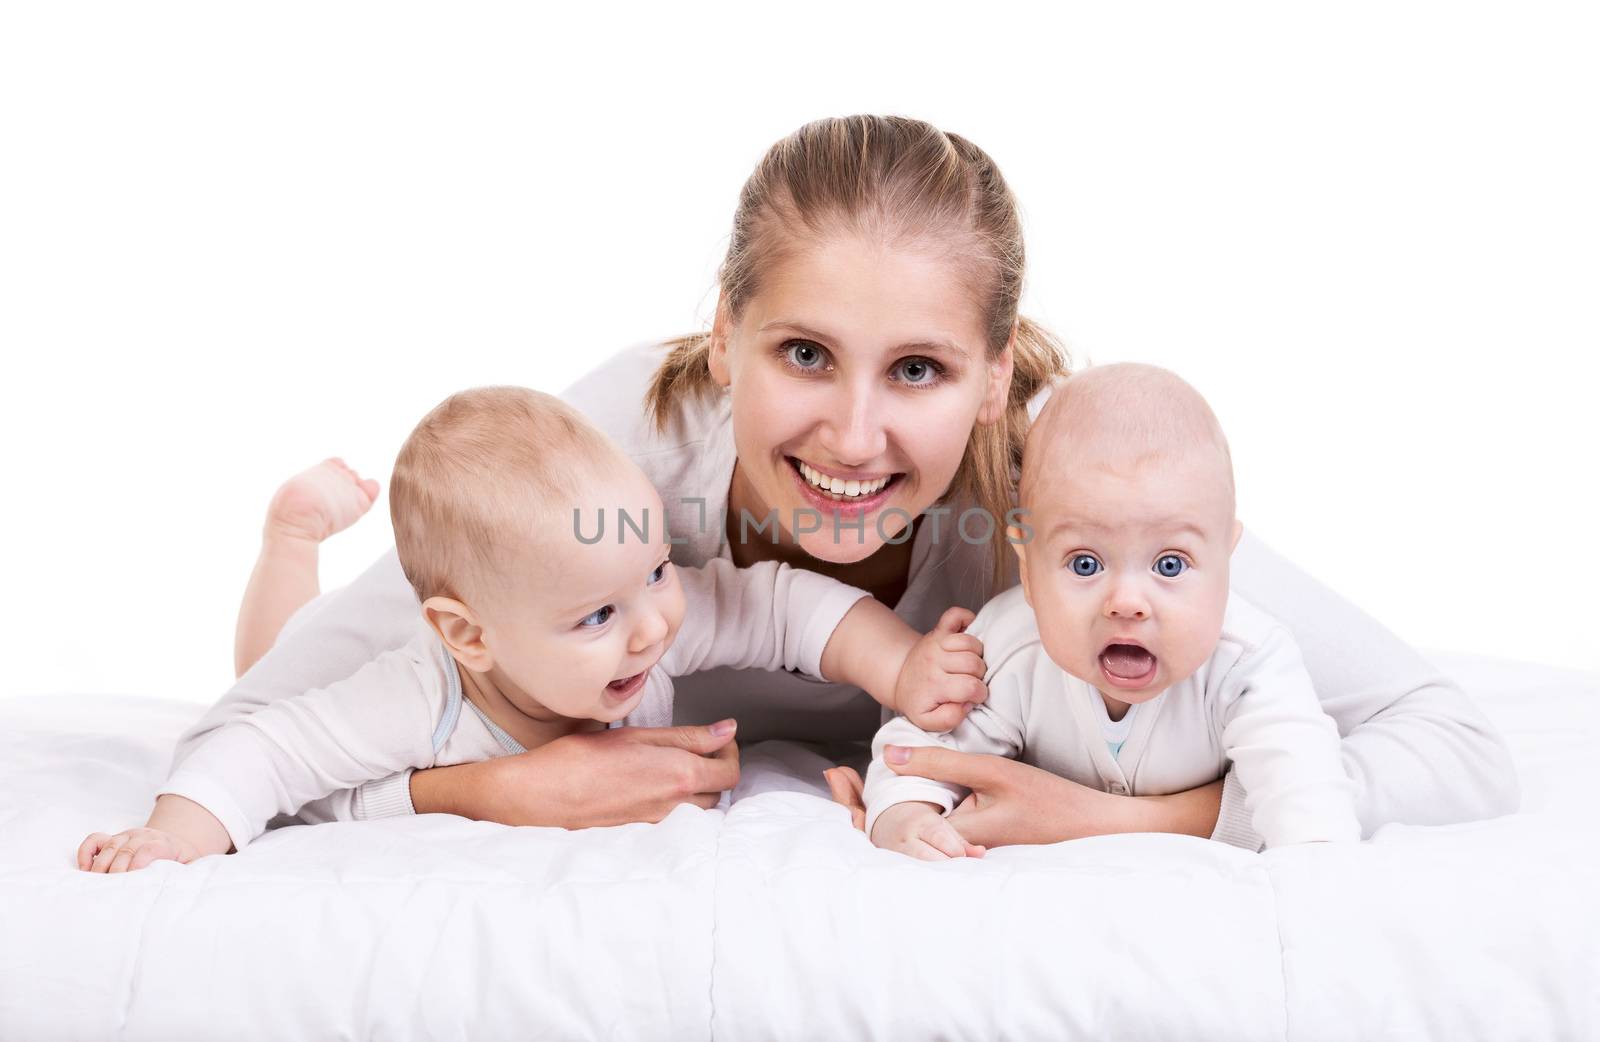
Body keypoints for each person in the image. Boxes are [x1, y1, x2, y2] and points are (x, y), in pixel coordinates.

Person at [171, 114, 1518, 847]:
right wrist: (481, 790)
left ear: (998, 382)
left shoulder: (1066, 499)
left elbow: (1451, 743)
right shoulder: (606, 462)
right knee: (293, 633)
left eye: (920, 370)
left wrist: (1132, 814)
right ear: (724, 335)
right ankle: (285, 543)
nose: (855, 437)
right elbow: (253, 726)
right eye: (807, 354)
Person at [78, 387, 983, 872]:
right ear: (470, 638)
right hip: (369, 699)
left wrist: (903, 667)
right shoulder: (415, 702)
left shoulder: (640, 610)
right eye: (596, 616)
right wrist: (171, 835)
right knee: (279, 653)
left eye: (660, 571)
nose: (653, 628)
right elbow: (260, 751)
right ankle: (291, 539)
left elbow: (782, 606)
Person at [865, 364, 1362, 859]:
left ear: (1226, 557)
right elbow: (918, 749)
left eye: (1170, 564)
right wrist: (904, 811)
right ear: (1029, 568)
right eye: (1085, 564)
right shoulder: (1011, 647)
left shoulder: (1249, 661)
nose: (1126, 602)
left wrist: (1313, 864)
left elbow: (1306, 791)